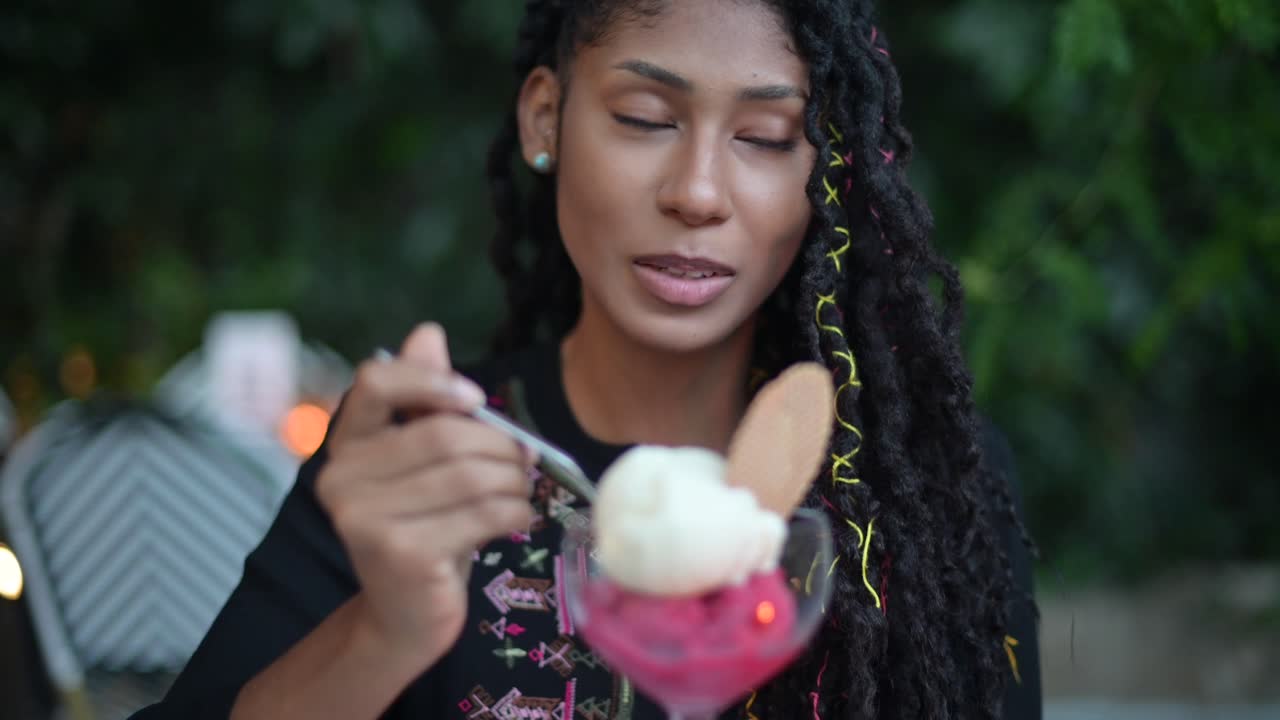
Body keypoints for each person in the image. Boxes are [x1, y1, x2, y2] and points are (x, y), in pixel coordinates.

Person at [132, 0, 1041, 717]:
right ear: (546, 118)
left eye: (765, 138)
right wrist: (385, 629)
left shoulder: (919, 489)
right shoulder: (433, 459)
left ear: (827, 174)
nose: (696, 193)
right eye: (646, 118)